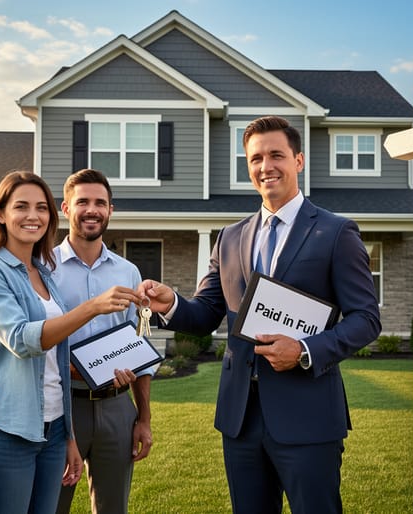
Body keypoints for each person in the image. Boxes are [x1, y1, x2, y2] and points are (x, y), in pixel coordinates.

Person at [140, 116, 382, 514]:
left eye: (276, 155)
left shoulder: (336, 232)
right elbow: (207, 313)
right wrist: (172, 304)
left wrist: (304, 350)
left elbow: (366, 318)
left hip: (308, 417)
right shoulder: (229, 237)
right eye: (255, 158)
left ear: (298, 160)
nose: (265, 166)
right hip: (241, 419)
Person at [0, 171, 142, 513]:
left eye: (41, 208)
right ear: (0, 214)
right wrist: (93, 307)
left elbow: (58, 357)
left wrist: (67, 435)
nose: (33, 215)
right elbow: (22, 340)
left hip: (54, 428)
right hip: (7, 428)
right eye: (21, 206)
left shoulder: (43, 273)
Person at [53, 169, 155, 514]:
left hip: (117, 408)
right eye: (83, 201)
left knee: (113, 508)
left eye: (100, 203)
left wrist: (143, 419)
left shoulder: (128, 272)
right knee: (52, 505)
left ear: (110, 210)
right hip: (63, 407)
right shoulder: (44, 268)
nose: (92, 210)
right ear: (66, 208)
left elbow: (139, 350)